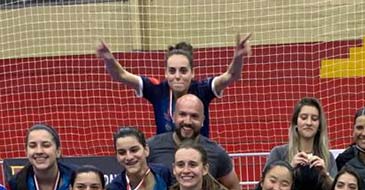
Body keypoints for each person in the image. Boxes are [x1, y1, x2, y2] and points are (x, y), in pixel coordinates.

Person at [96, 36, 252, 136]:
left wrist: (238, 57)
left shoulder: (202, 90)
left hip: (197, 155)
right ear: (165, 73)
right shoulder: (157, 90)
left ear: (192, 73)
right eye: (172, 71)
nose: (177, 76)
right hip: (166, 157)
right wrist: (108, 58)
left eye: (183, 71)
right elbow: (121, 75)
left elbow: (231, 76)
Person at [147, 94, 241, 190]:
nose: (187, 121)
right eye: (182, 114)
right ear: (173, 117)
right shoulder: (151, 147)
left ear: (202, 120)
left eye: (194, 116)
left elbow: (233, 188)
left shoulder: (216, 152)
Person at [266, 98, 336, 190]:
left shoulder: (327, 156)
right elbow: (264, 188)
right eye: (303, 117)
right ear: (296, 123)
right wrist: (290, 168)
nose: (308, 123)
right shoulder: (279, 153)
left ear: (319, 125)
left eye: (314, 119)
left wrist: (325, 174)